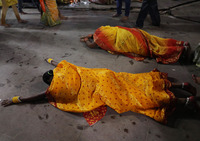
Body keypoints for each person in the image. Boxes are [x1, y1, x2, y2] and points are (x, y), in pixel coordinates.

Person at [1, 59, 199, 124]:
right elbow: (59, 61)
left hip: (103, 90)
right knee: (137, 82)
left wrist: (16, 99)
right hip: (106, 75)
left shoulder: (55, 89)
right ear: (54, 72)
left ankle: (185, 101)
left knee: (134, 99)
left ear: (50, 83)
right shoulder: (66, 69)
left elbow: (39, 97)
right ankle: (180, 86)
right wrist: (51, 61)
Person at [80, 26, 190, 64]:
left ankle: (180, 50)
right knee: (155, 40)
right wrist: (87, 36)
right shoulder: (102, 29)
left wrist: (85, 40)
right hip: (133, 32)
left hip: (129, 41)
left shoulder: (98, 40)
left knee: (153, 50)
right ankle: (181, 43)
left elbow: (90, 45)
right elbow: (91, 34)